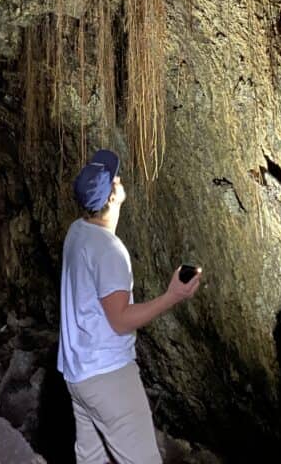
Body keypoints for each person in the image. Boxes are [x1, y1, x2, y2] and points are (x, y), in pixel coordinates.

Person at [58, 148, 203, 464]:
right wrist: (173, 295)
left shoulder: (76, 232)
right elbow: (120, 320)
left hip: (76, 374)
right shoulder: (109, 251)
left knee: (91, 459)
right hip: (108, 375)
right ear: (111, 198)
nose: (120, 178)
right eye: (115, 179)